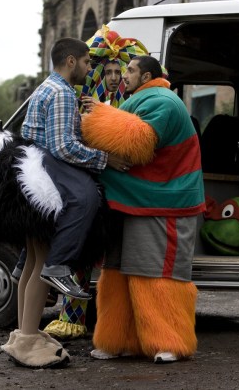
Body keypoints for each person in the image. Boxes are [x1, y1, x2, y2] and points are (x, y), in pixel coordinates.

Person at [81, 55, 204, 363]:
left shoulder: (163, 100)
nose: (124, 75)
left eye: (131, 70)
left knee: (156, 274)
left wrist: (95, 118)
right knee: (118, 272)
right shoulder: (139, 100)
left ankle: (170, 342)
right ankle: (117, 340)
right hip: (134, 201)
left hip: (164, 205)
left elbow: (137, 142)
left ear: (147, 75)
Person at [43, 27, 149, 340]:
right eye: (109, 71)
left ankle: (118, 322)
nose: (115, 76)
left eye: (120, 71)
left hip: (125, 187)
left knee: (122, 258)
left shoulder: (135, 104)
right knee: (84, 252)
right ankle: (73, 317)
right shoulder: (82, 102)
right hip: (94, 181)